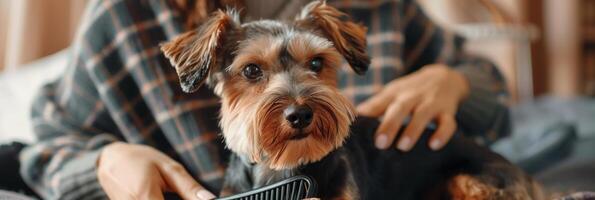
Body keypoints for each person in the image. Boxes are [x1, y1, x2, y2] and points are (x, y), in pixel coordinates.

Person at [19, 0, 510, 199]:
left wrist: (456, 82)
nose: (295, 97)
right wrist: (104, 161)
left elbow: (497, 96)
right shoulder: (126, 15)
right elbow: (39, 153)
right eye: (252, 72)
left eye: (316, 65)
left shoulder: (377, 5)